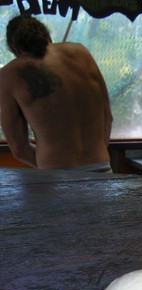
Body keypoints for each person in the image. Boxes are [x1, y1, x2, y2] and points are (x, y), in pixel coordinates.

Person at [0, 15, 113, 172]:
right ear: (47, 37)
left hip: (56, 178)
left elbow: (19, 148)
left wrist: (50, 168)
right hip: (102, 169)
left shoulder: (8, 75)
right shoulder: (81, 53)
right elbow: (107, 117)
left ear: (16, 49)